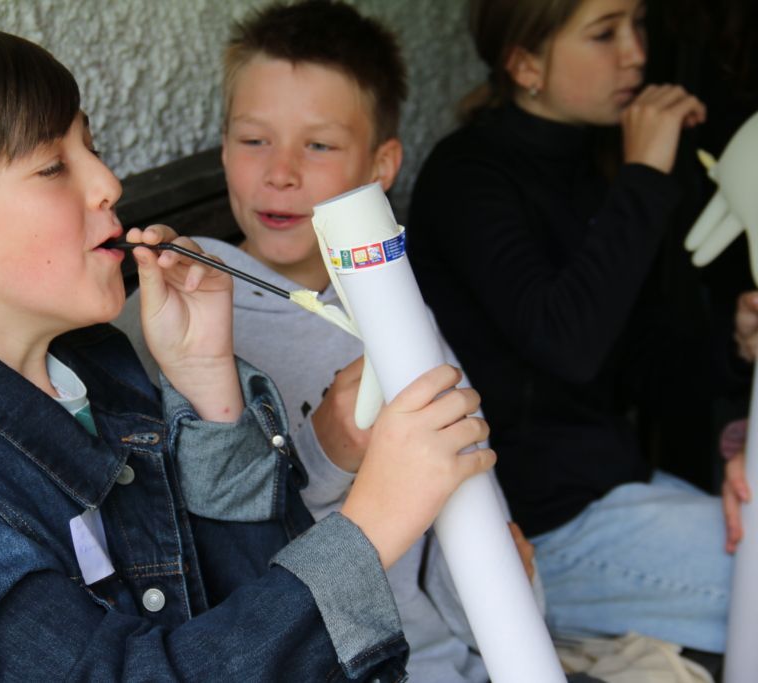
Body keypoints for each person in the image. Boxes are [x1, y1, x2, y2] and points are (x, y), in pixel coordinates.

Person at [0, 29, 498, 681]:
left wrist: (208, 385)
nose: (108, 184)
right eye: (53, 166)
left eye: (89, 146)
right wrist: (371, 525)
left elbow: (219, 606)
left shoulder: (90, 367)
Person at [115, 3, 539, 681]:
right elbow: (205, 554)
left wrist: (506, 594)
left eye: (318, 145)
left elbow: (467, 505)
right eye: (254, 140)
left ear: (381, 166)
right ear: (223, 147)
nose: (280, 172)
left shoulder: (395, 303)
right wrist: (327, 451)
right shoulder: (181, 307)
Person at [406, 0, 758, 654]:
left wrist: (734, 347)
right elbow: (565, 343)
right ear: (524, 62)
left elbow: (645, 373)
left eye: (639, 25)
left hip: (614, 493)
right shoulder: (467, 177)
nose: (636, 53)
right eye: (604, 33)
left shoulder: (598, 167)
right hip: (536, 531)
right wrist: (645, 176)